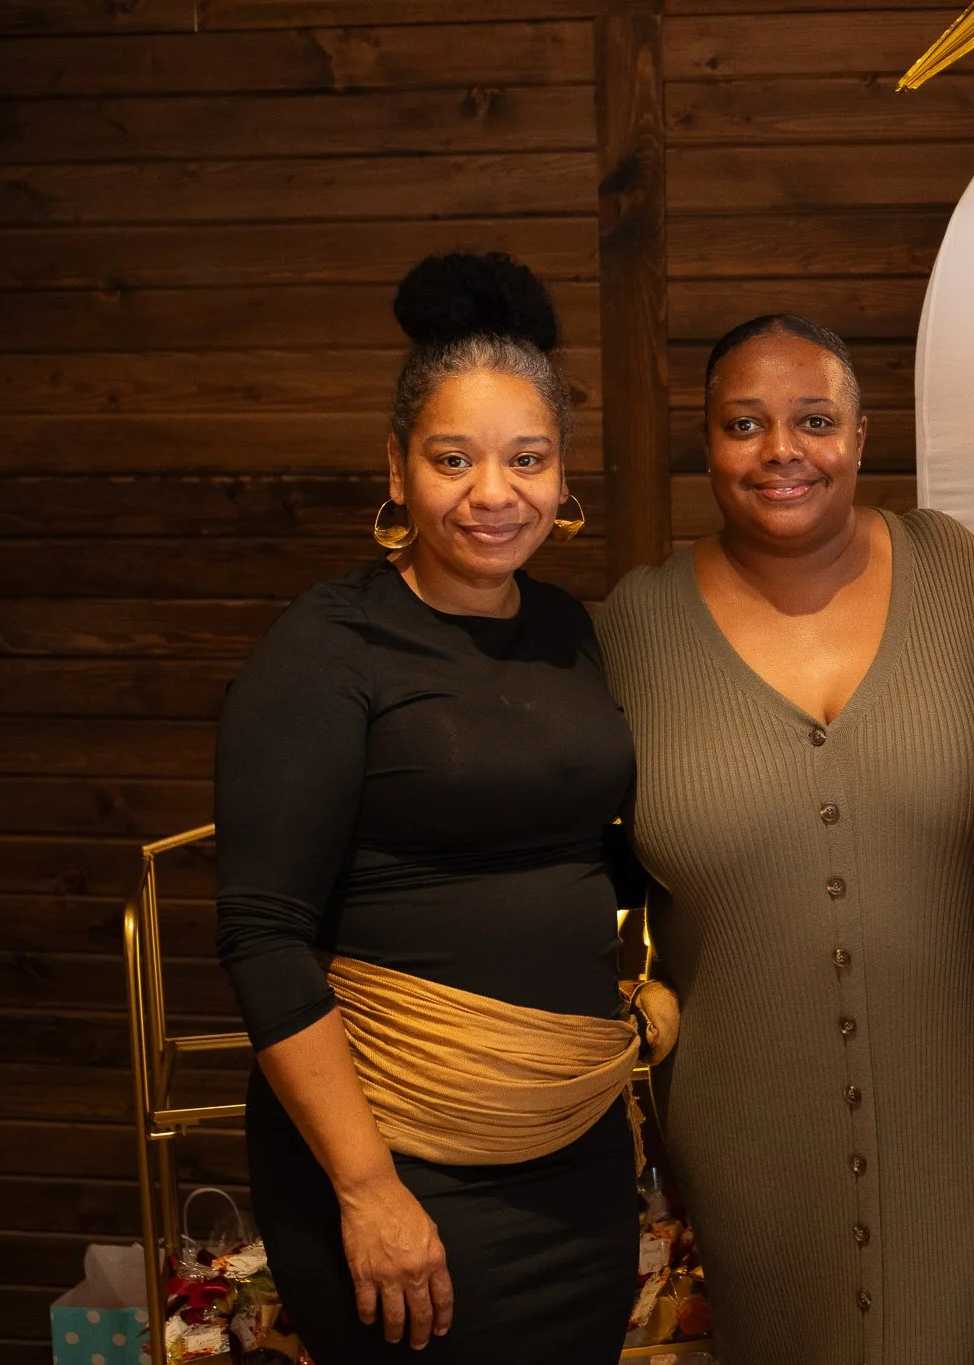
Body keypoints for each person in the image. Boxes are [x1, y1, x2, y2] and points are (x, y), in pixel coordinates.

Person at [215, 251, 669, 1362]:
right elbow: (263, 937)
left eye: (528, 458)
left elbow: (584, 849)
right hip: (398, 1163)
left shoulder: (568, 629)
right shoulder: (328, 649)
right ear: (397, 465)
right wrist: (368, 1191)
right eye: (452, 458)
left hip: (574, 1158)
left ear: (561, 473)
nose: (493, 493)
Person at [597, 314, 974, 1365]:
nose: (781, 449)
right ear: (705, 443)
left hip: (963, 1124)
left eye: (815, 420)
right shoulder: (634, 629)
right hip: (742, 1135)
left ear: (862, 438)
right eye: (744, 423)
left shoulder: (959, 577)